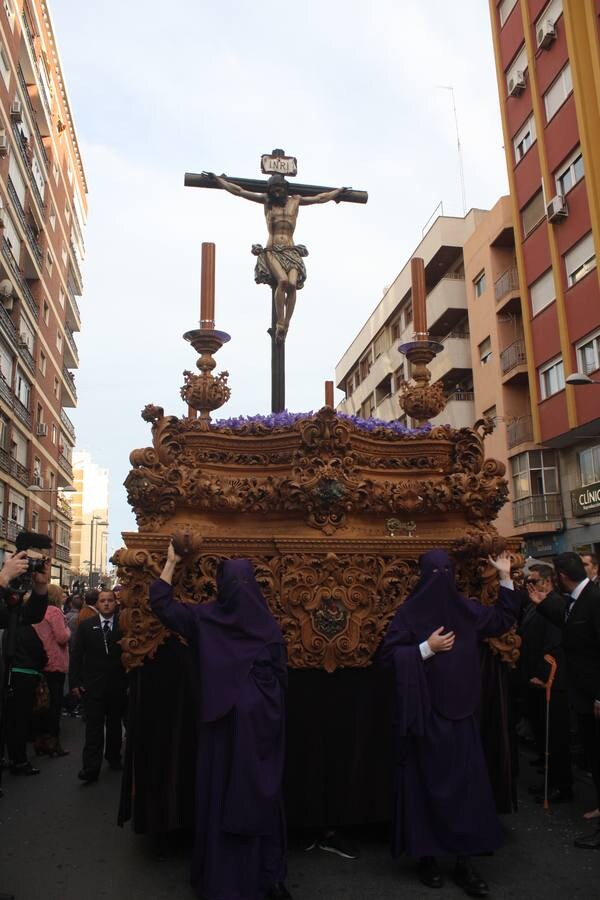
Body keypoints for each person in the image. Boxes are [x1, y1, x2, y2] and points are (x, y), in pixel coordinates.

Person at [149, 546, 291, 900]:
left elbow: (163, 605)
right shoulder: (268, 627)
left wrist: (170, 563)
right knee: (259, 797)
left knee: (222, 798)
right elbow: (281, 677)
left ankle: (225, 878)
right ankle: (266, 875)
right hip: (258, 733)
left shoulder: (206, 619)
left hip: (222, 730)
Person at [379, 549, 520, 897]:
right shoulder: (410, 614)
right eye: (435, 572)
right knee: (424, 789)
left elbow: (502, 619)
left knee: (464, 791)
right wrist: (426, 648)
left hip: (460, 715)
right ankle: (427, 857)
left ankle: (463, 862)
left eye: (446, 572)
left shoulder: (466, 609)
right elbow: (387, 658)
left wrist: (504, 576)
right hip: (425, 718)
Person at [204, 171, 347, 341]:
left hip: (291, 251)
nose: (276, 192)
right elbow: (239, 191)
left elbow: (321, 198)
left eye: (279, 188)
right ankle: (280, 323)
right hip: (272, 251)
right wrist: (219, 181)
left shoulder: (296, 201)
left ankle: (286, 324)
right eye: (273, 188)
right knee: (283, 281)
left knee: (293, 285)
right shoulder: (267, 202)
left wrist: (338, 192)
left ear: (285, 188)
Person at [527, 551, 600, 848]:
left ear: (561, 577)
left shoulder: (594, 600)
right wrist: (543, 604)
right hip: (581, 694)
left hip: (593, 696)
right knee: (595, 756)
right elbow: (568, 621)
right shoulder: (576, 599)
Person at [518, 565, 572, 803]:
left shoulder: (555, 605)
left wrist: (542, 674)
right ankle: (549, 775)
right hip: (534, 678)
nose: (530, 583)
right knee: (542, 731)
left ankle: (560, 786)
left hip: (550, 681)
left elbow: (552, 643)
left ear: (548, 581)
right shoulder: (534, 602)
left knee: (555, 737)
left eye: (535, 580)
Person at [70, 589, 127, 783]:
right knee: (93, 728)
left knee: (114, 725)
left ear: (115, 603)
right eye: (103, 600)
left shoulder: (124, 625)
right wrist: (75, 682)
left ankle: (113, 756)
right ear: (98, 603)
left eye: (110, 600)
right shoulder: (86, 626)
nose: (106, 604)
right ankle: (90, 768)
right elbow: (76, 655)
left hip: (118, 685)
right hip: (93, 686)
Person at [1, 552, 50, 776]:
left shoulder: (8, 594)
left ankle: (15, 761)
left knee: (15, 721)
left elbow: (28, 617)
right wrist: (3, 578)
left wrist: (40, 588)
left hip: (10, 669)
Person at [32, 583, 71, 757]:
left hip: (40, 661)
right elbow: (62, 637)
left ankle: (40, 740)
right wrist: (68, 629)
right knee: (55, 704)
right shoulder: (54, 611)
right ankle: (53, 742)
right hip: (55, 662)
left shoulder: (36, 610)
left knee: (42, 704)